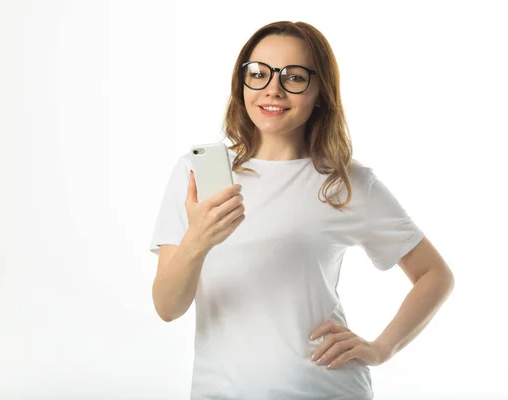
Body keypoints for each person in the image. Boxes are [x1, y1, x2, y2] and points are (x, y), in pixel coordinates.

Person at [149, 21, 454, 400]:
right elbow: (167, 307)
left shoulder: (345, 182)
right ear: (241, 82)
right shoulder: (195, 175)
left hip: (325, 389)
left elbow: (435, 275)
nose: (272, 89)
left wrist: (381, 347)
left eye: (293, 77)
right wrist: (198, 241)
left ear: (320, 92)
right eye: (258, 74)